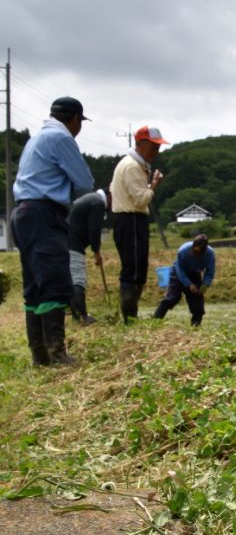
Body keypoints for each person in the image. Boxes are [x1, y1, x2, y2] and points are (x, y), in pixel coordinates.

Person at [11, 97, 95, 366]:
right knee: (54, 281)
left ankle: (40, 355)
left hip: (24, 212)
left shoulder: (37, 138)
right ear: (74, 120)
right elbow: (85, 181)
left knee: (35, 283)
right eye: (79, 123)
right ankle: (56, 354)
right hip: (43, 213)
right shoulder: (61, 137)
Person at [110, 126, 169, 322]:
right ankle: (129, 319)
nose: (156, 152)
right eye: (153, 147)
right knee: (133, 272)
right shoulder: (132, 167)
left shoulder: (133, 165)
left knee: (136, 270)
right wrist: (154, 184)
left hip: (129, 220)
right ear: (141, 144)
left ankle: (130, 316)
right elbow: (141, 200)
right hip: (131, 220)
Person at [67, 188, 110, 324]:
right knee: (78, 280)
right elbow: (94, 229)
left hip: (65, 242)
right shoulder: (98, 203)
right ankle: (83, 316)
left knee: (70, 281)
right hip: (72, 245)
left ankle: (76, 316)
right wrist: (96, 251)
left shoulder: (92, 199)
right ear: (110, 196)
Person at [153, 234, 216, 326]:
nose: (197, 255)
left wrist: (206, 284)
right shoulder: (183, 251)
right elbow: (179, 270)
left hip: (194, 274)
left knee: (197, 303)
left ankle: (195, 326)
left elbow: (210, 271)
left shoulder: (210, 254)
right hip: (178, 273)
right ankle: (155, 321)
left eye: (199, 254)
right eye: (195, 252)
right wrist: (189, 284)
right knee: (172, 298)